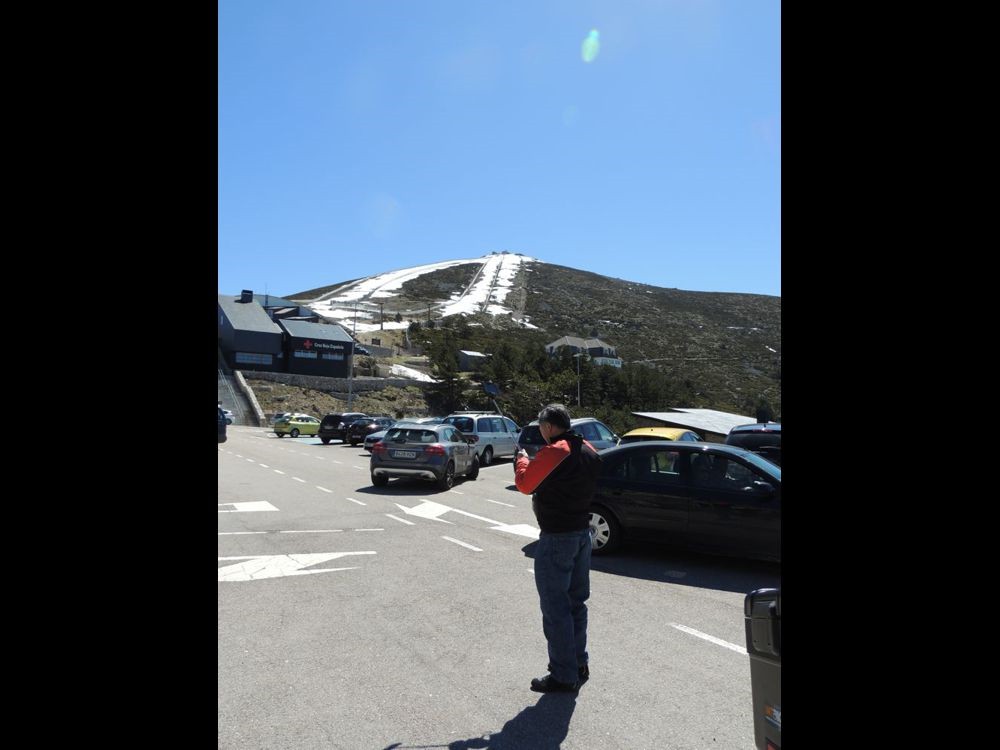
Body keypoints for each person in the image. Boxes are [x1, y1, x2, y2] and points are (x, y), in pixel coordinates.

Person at [514, 403, 602, 693]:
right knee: (576, 604)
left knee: (556, 609)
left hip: (557, 538)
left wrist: (522, 461)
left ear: (549, 427)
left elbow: (526, 484)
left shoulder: (557, 450)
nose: (541, 432)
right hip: (582, 534)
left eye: (541, 427)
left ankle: (563, 674)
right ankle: (579, 663)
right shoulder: (589, 449)